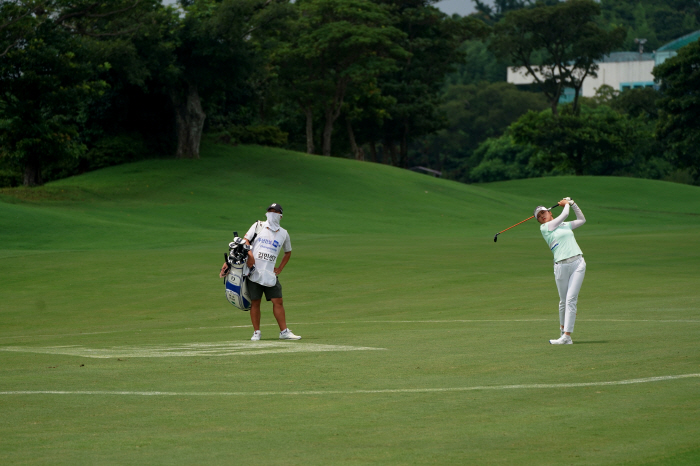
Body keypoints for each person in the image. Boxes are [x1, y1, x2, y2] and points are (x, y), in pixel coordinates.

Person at [220, 203, 301, 341]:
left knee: (278, 301)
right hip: (253, 272)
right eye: (269, 211)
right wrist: (250, 255)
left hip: (270, 273)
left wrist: (280, 268)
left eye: (275, 211)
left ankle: (284, 332)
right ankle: (256, 332)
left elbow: (288, 252)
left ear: (280, 216)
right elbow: (245, 241)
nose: (272, 213)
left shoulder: (284, 233)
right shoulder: (258, 225)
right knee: (255, 302)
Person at [534, 198, 586, 345]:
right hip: (561, 266)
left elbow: (582, 220)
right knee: (563, 301)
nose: (542, 216)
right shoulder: (545, 228)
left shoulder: (564, 225)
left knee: (570, 300)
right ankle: (563, 332)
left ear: (550, 213)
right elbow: (564, 215)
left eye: (543, 212)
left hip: (578, 263)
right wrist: (567, 204)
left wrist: (574, 204)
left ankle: (567, 337)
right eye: (539, 216)